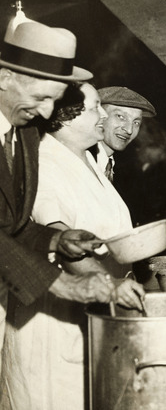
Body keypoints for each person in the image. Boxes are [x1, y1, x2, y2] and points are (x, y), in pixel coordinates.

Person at [4, 82, 145, 409]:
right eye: (97, 107)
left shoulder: (89, 161)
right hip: (52, 320)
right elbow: (58, 235)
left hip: (91, 314)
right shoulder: (45, 163)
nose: (103, 115)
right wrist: (111, 286)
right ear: (66, 117)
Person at [0, 20, 121, 375]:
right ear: (5, 77)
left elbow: (11, 225)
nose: (49, 113)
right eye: (41, 97)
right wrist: (65, 284)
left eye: (54, 100)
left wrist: (56, 239)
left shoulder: (22, 135)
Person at [94, 86, 156, 182]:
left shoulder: (122, 173)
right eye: (121, 117)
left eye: (136, 123)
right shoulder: (82, 160)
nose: (129, 130)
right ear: (100, 115)